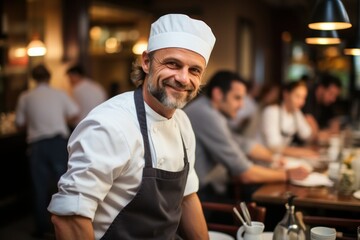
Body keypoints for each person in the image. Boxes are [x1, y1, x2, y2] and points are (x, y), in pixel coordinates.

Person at [48, 14, 216, 239]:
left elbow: (187, 197)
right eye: (172, 64)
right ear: (146, 62)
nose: (183, 78)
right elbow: (68, 218)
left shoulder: (182, 123)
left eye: (194, 70)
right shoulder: (109, 125)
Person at [184, 70, 309, 202]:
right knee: (269, 206)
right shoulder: (207, 115)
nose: (242, 105)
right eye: (237, 98)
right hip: (196, 196)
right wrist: (288, 174)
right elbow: (244, 173)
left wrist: (274, 159)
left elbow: (241, 143)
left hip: (200, 190)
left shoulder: (208, 109)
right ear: (218, 94)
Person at [15, 64, 79, 238]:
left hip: (37, 145)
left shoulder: (26, 97)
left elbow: (19, 123)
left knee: (39, 187)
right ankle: (67, 227)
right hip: (58, 143)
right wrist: (57, 119)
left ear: (33, 79)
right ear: (49, 77)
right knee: (65, 186)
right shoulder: (59, 94)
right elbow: (74, 114)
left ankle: (42, 228)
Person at [259, 80, 319, 158]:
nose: (301, 102)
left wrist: (313, 124)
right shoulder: (271, 111)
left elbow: (307, 136)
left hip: (279, 158)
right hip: (263, 159)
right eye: (297, 96)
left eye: (304, 98)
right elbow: (274, 146)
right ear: (286, 94)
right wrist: (302, 152)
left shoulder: (297, 113)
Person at [302, 72, 342, 142]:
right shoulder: (306, 96)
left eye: (335, 96)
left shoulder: (328, 102)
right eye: (331, 93)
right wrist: (325, 133)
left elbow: (335, 127)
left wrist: (326, 133)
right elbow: (315, 134)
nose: (333, 99)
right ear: (321, 88)